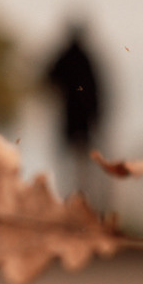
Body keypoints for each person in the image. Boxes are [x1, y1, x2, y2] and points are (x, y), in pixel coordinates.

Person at [44, 21, 104, 194]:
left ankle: (75, 200)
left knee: (75, 164)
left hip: (74, 120)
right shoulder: (85, 60)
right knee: (76, 164)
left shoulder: (68, 58)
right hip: (76, 121)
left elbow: (48, 78)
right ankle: (76, 200)